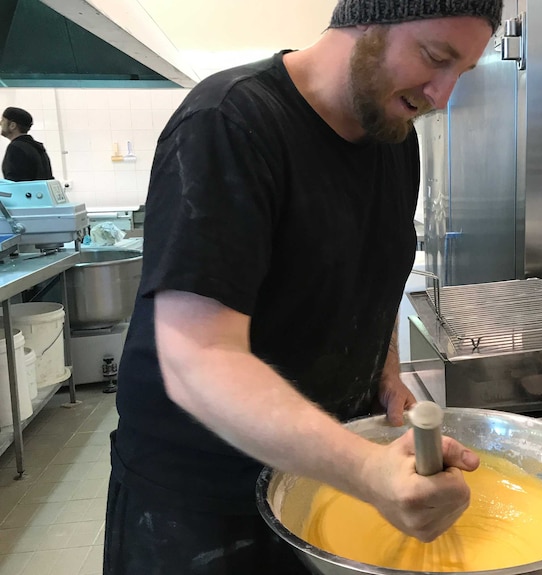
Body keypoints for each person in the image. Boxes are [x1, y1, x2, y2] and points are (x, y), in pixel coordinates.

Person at [105, 0, 502, 573]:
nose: (441, 97)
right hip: (201, 508)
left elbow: (376, 273)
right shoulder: (229, 124)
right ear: (366, 19)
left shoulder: (393, 139)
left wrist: (383, 369)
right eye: (435, 58)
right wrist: (368, 471)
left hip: (323, 478)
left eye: (460, 74)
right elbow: (198, 358)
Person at [0, 107, 53, 181]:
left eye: (3, 120)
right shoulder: (37, 147)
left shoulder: (16, 148)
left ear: (12, 125)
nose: (0, 123)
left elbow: (15, 184)